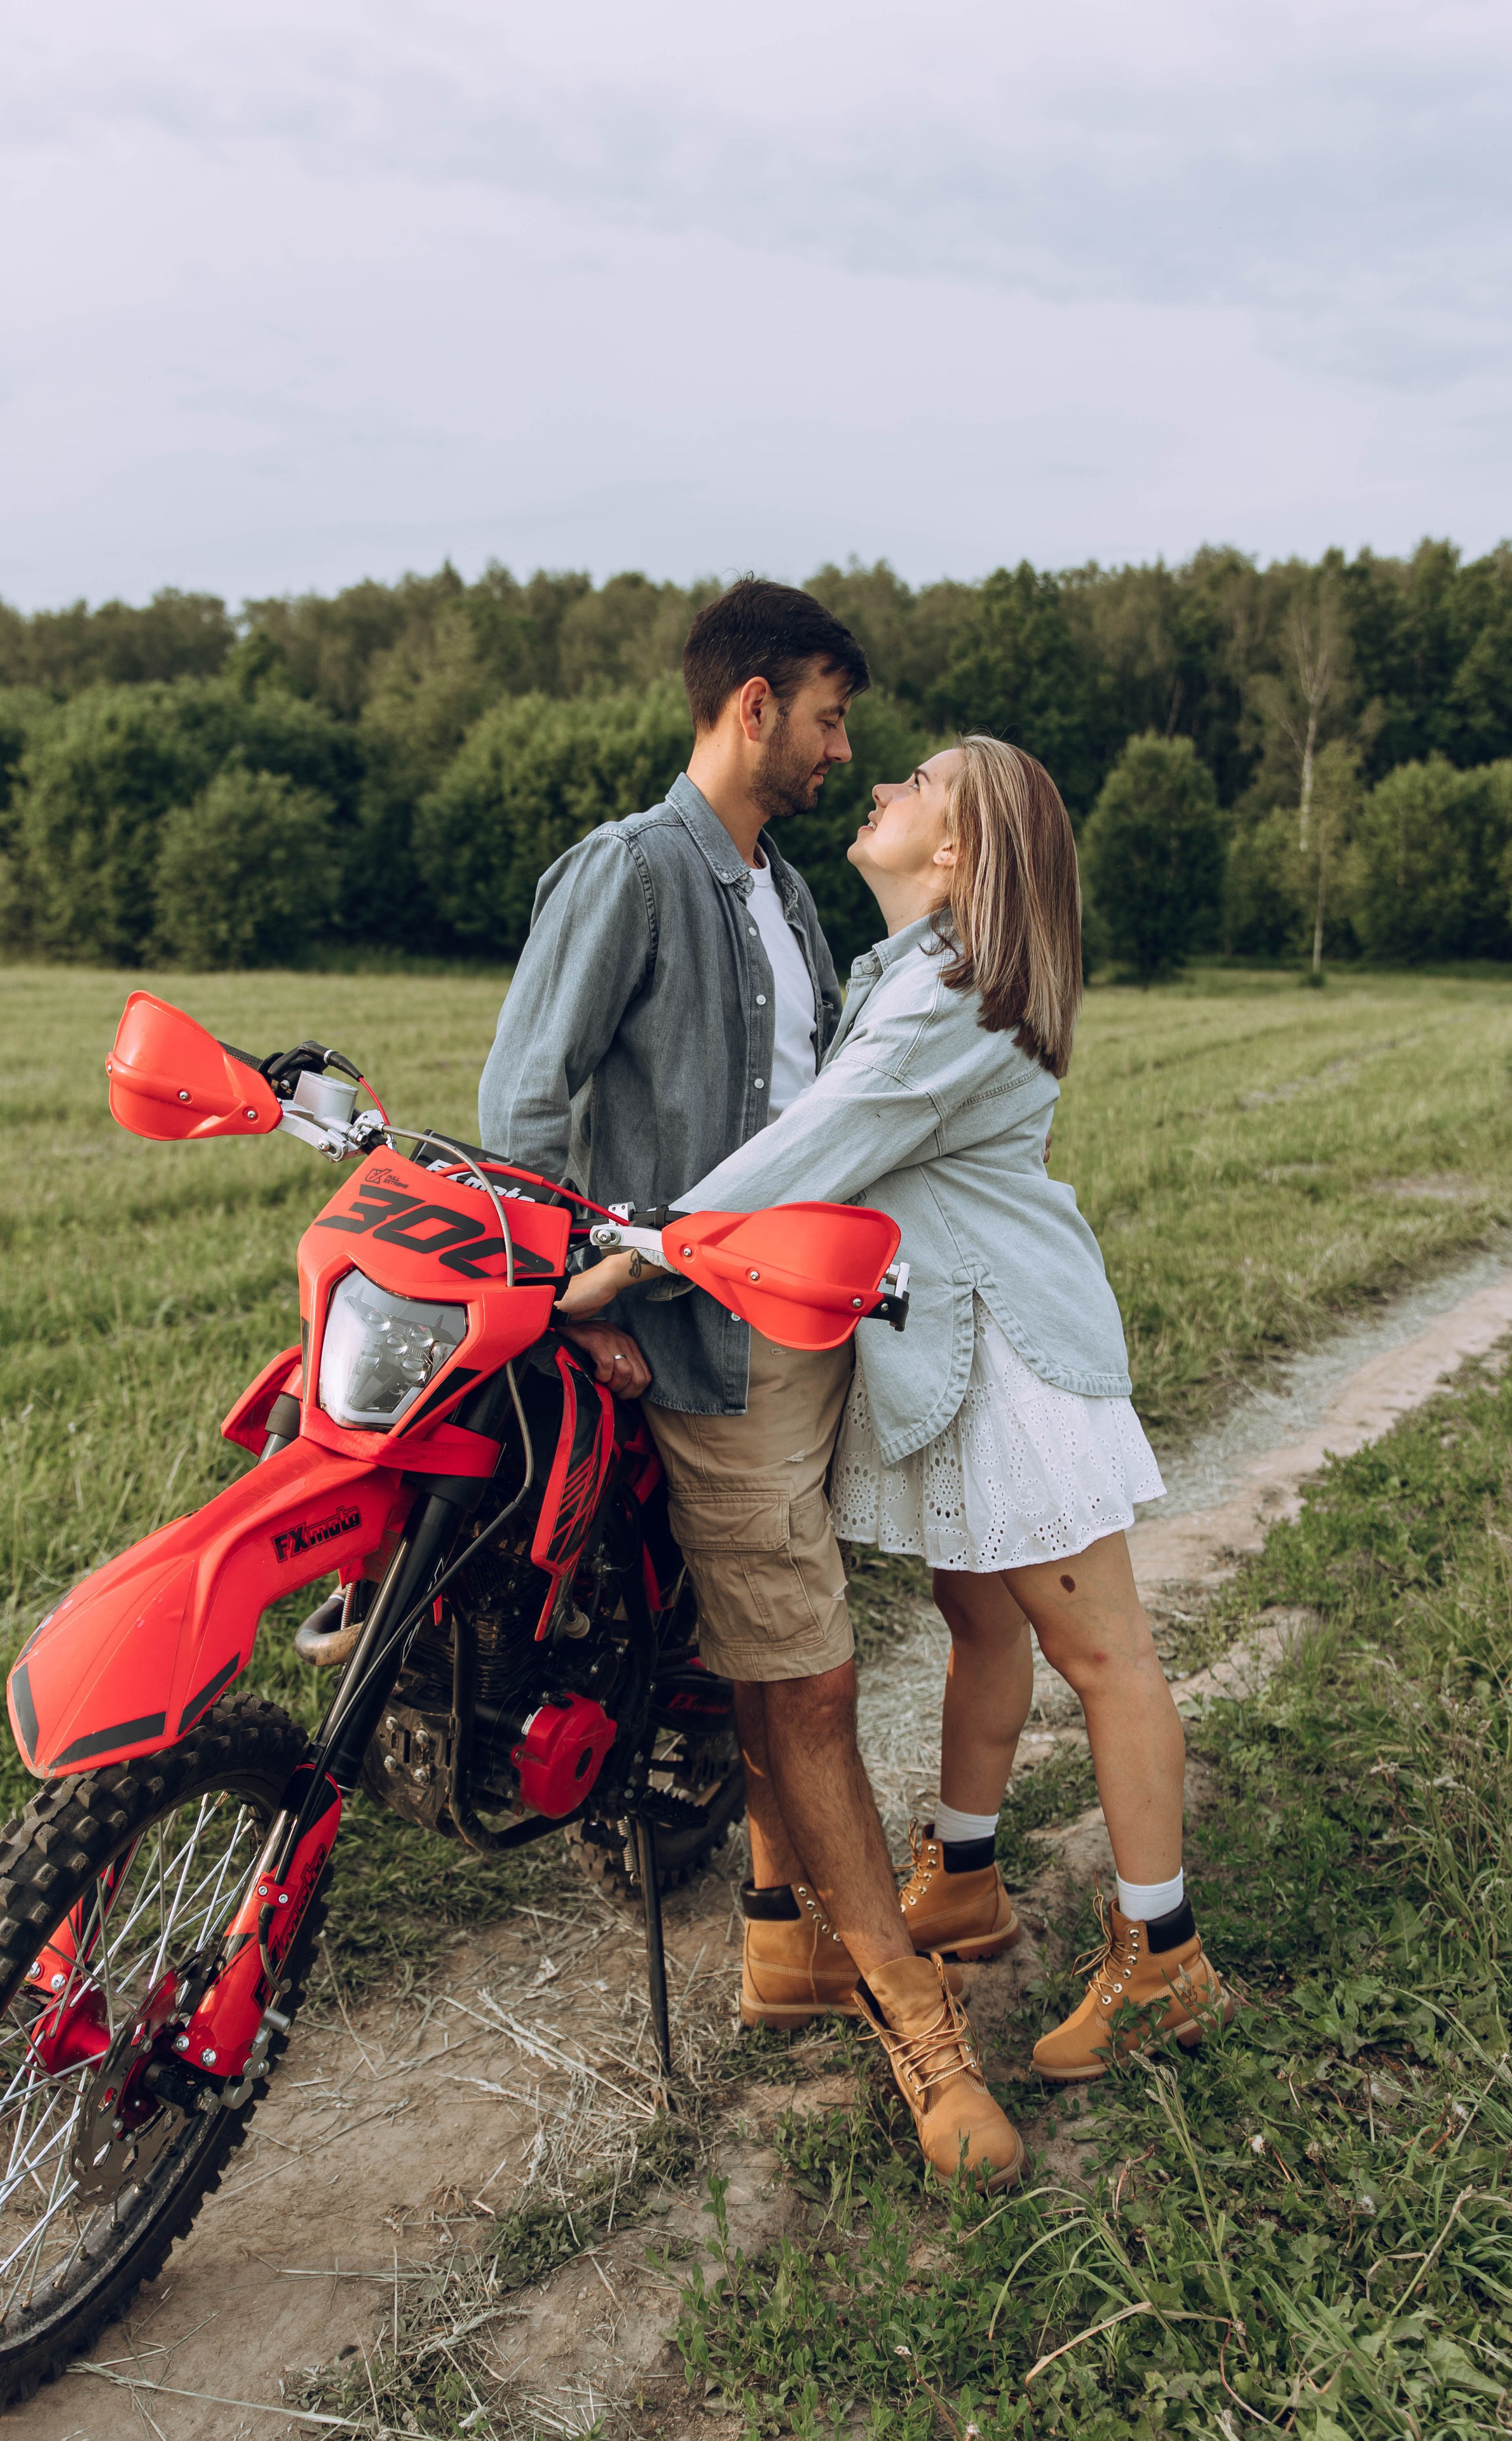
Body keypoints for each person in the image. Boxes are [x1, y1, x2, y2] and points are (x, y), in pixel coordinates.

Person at [565, 734, 1231, 2124]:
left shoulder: (953, 994)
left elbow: (821, 1137)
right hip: (951, 1346)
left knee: (1100, 1650)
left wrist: (633, 1255)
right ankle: (968, 1876)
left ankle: (1161, 1953)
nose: (880, 787)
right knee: (980, 1625)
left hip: (1010, 1354)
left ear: (960, 853)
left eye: (917, 783)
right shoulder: (912, 973)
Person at [482, 583, 1025, 2191]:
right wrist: (564, 1307)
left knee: (790, 1650)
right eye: (830, 717)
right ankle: (922, 2041)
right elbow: (526, 1099)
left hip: (808, 1342)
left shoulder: (782, 898)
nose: (842, 749)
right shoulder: (634, 870)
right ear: (751, 710)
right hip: (702, 1353)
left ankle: (780, 1945)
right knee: (803, 1682)